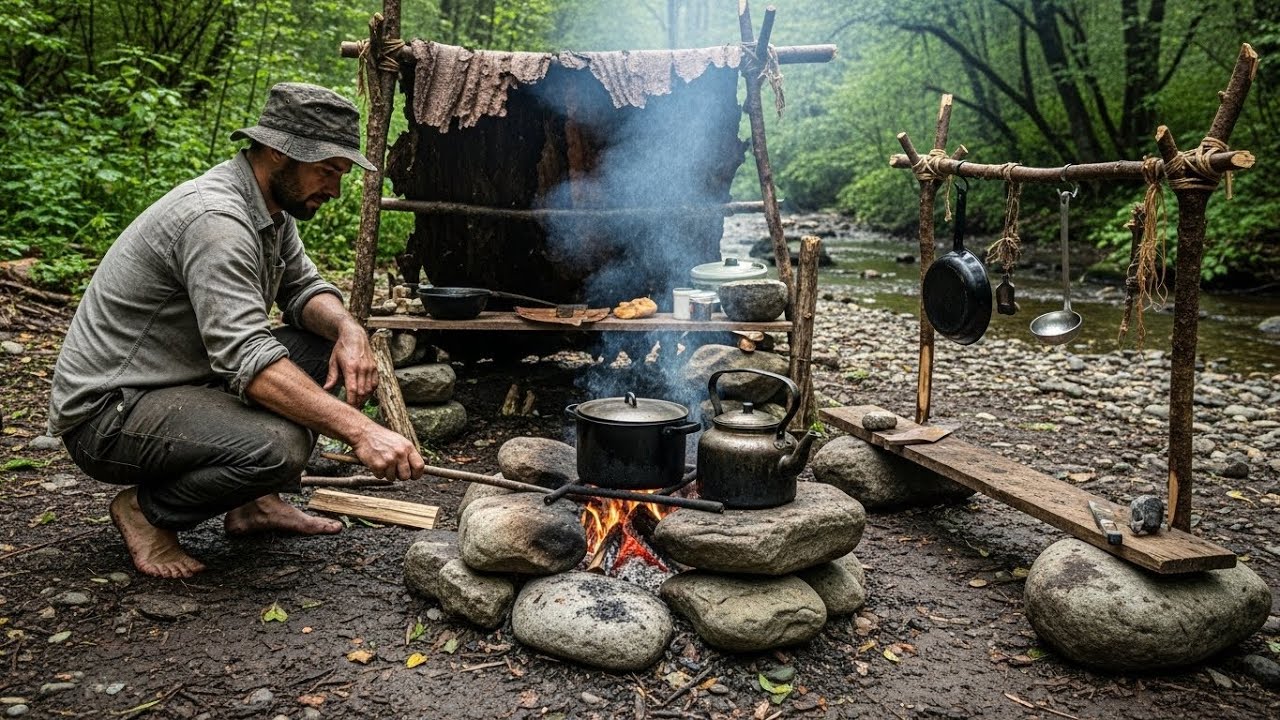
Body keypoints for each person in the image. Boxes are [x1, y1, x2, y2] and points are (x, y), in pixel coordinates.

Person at [47, 83, 425, 578]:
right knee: (278, 446)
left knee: (319, 347)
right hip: (110, 411)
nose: (334, 190)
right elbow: (246, 358)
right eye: (326, 171)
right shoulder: (217, 222)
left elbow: (303, 288)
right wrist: (362, 432)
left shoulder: (269, 208)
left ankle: (253, 504)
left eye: (341, 174)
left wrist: (348, 329)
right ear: (276, 150)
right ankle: (145, 511)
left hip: (181, 383)